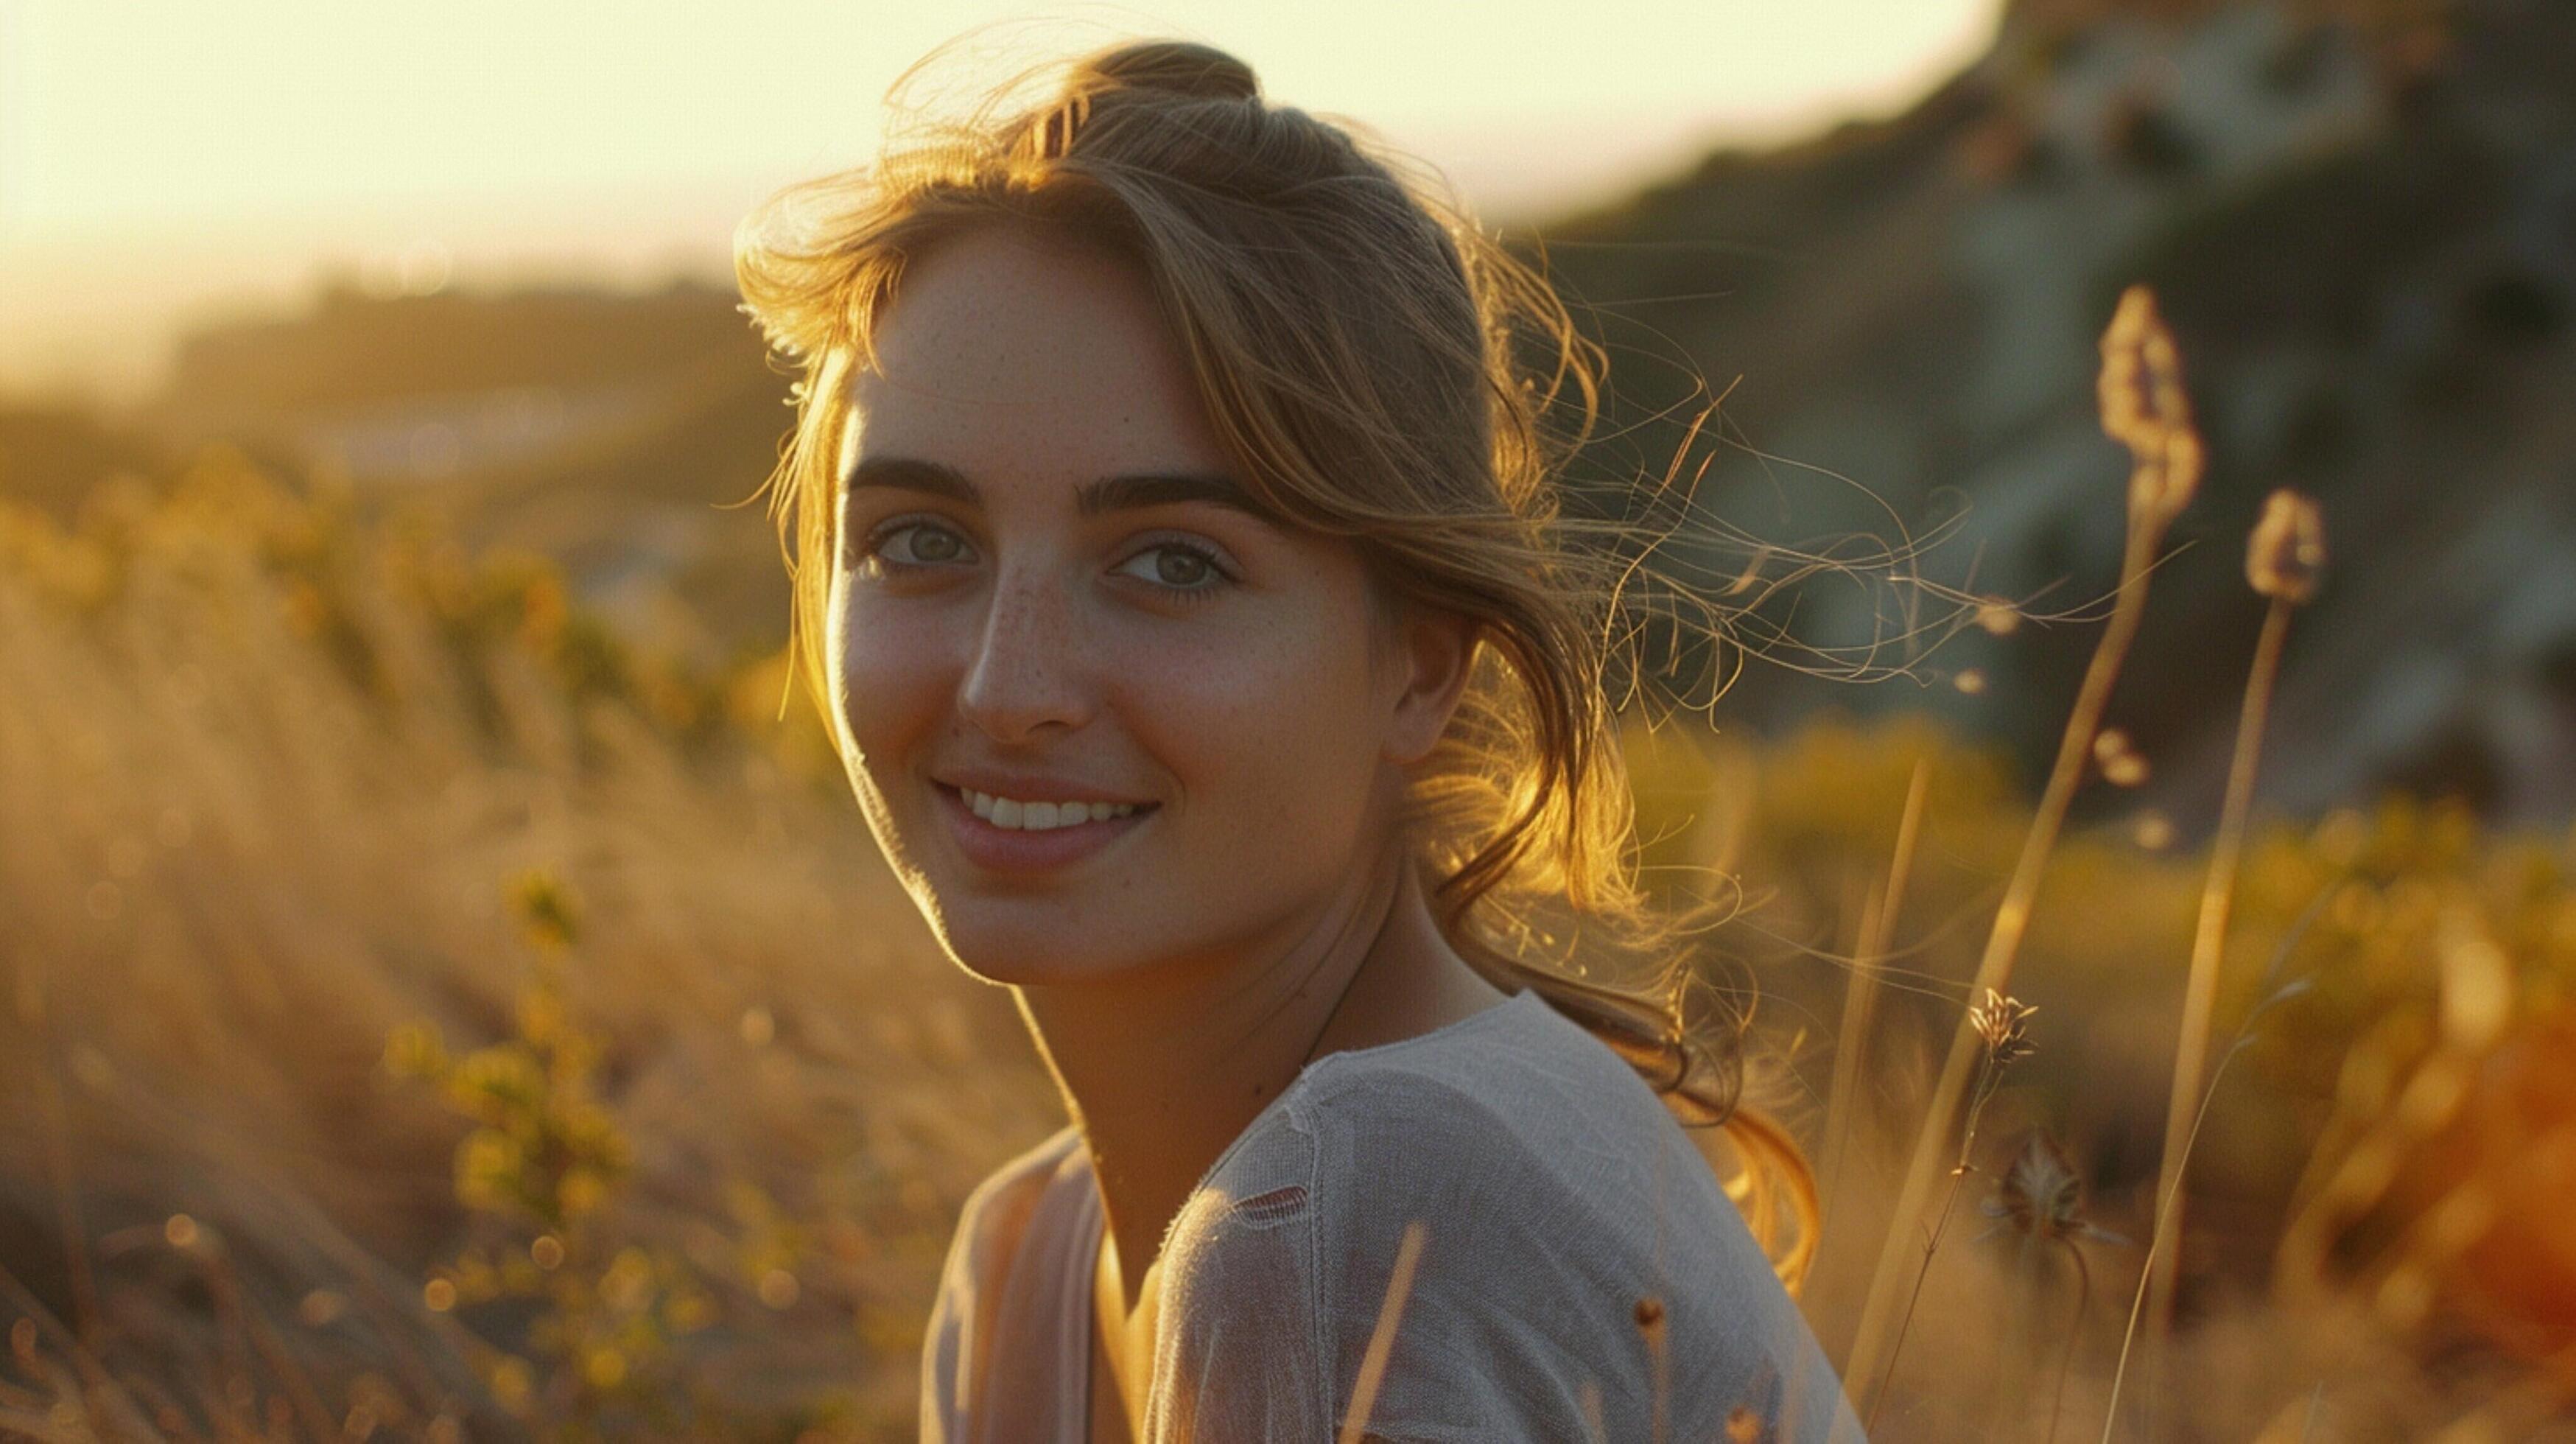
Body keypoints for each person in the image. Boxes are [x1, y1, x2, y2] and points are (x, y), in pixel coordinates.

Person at [734, 33, 1865, 1443]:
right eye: (918, 541)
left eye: (1172, 563)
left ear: (1418, 665)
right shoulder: (1027, 1254)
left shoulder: (1344, 1221)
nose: (1006, 687)